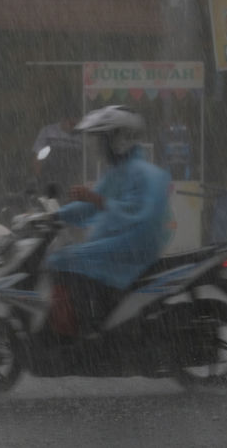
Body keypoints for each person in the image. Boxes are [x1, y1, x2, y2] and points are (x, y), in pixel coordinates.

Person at [33, 105, 173, 339]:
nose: (99, 147)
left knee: (62, 259)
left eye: (102, 140)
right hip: (122, 240)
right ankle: (91, 317)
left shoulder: (142, 172)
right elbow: (89, 206)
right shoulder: (119, 171)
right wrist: (53, 216)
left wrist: (95, 199)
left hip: (135, 243)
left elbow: (136, 211)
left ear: (119, 139)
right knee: (66, 257)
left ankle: (81, 326)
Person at [31, 113, 83, 199]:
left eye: (76, 125)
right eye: (71, 124)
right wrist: (39, 179)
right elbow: (37, 158)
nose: (73, 127)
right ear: (63, 120)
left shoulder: (80, 135)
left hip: (70, 179)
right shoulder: (48, 132)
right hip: (49, 178)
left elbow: (81, 163)